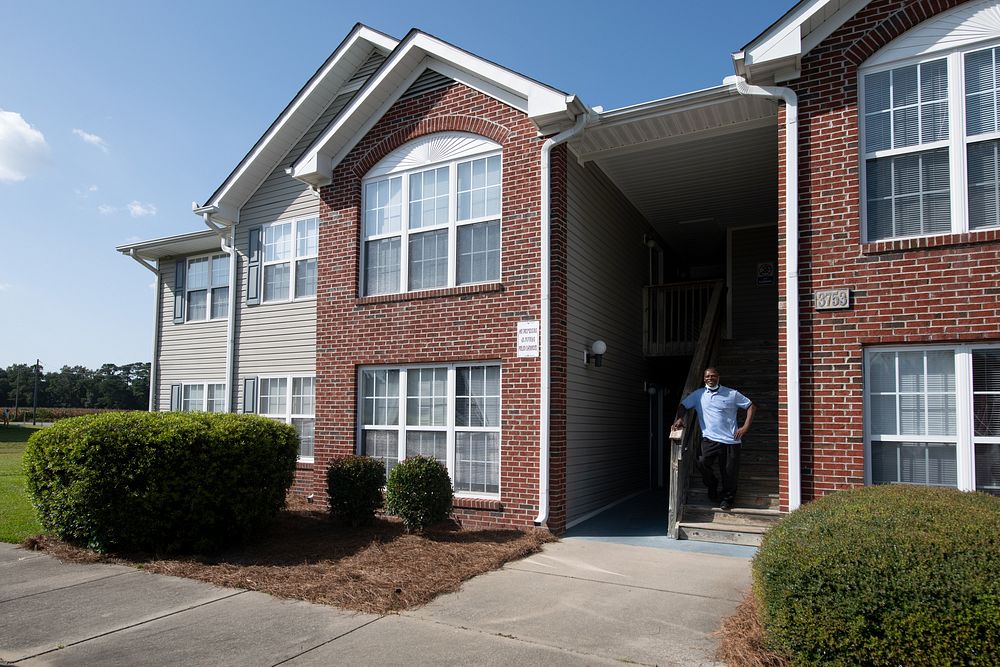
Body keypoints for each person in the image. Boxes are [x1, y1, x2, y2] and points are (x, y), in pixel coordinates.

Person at [672, 367, 755, 511]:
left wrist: (745, 427)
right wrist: (679, 418)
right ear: (704, 379)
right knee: (701, 462)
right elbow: (683, 405)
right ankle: (712, 484)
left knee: (729, 473)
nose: (710, 378)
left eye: (713, 376)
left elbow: (750, 406)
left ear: (718, 377)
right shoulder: (699, 395)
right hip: (709, 439)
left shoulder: (732, 394)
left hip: (731, 440)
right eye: (708, 376)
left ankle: (727, 500)